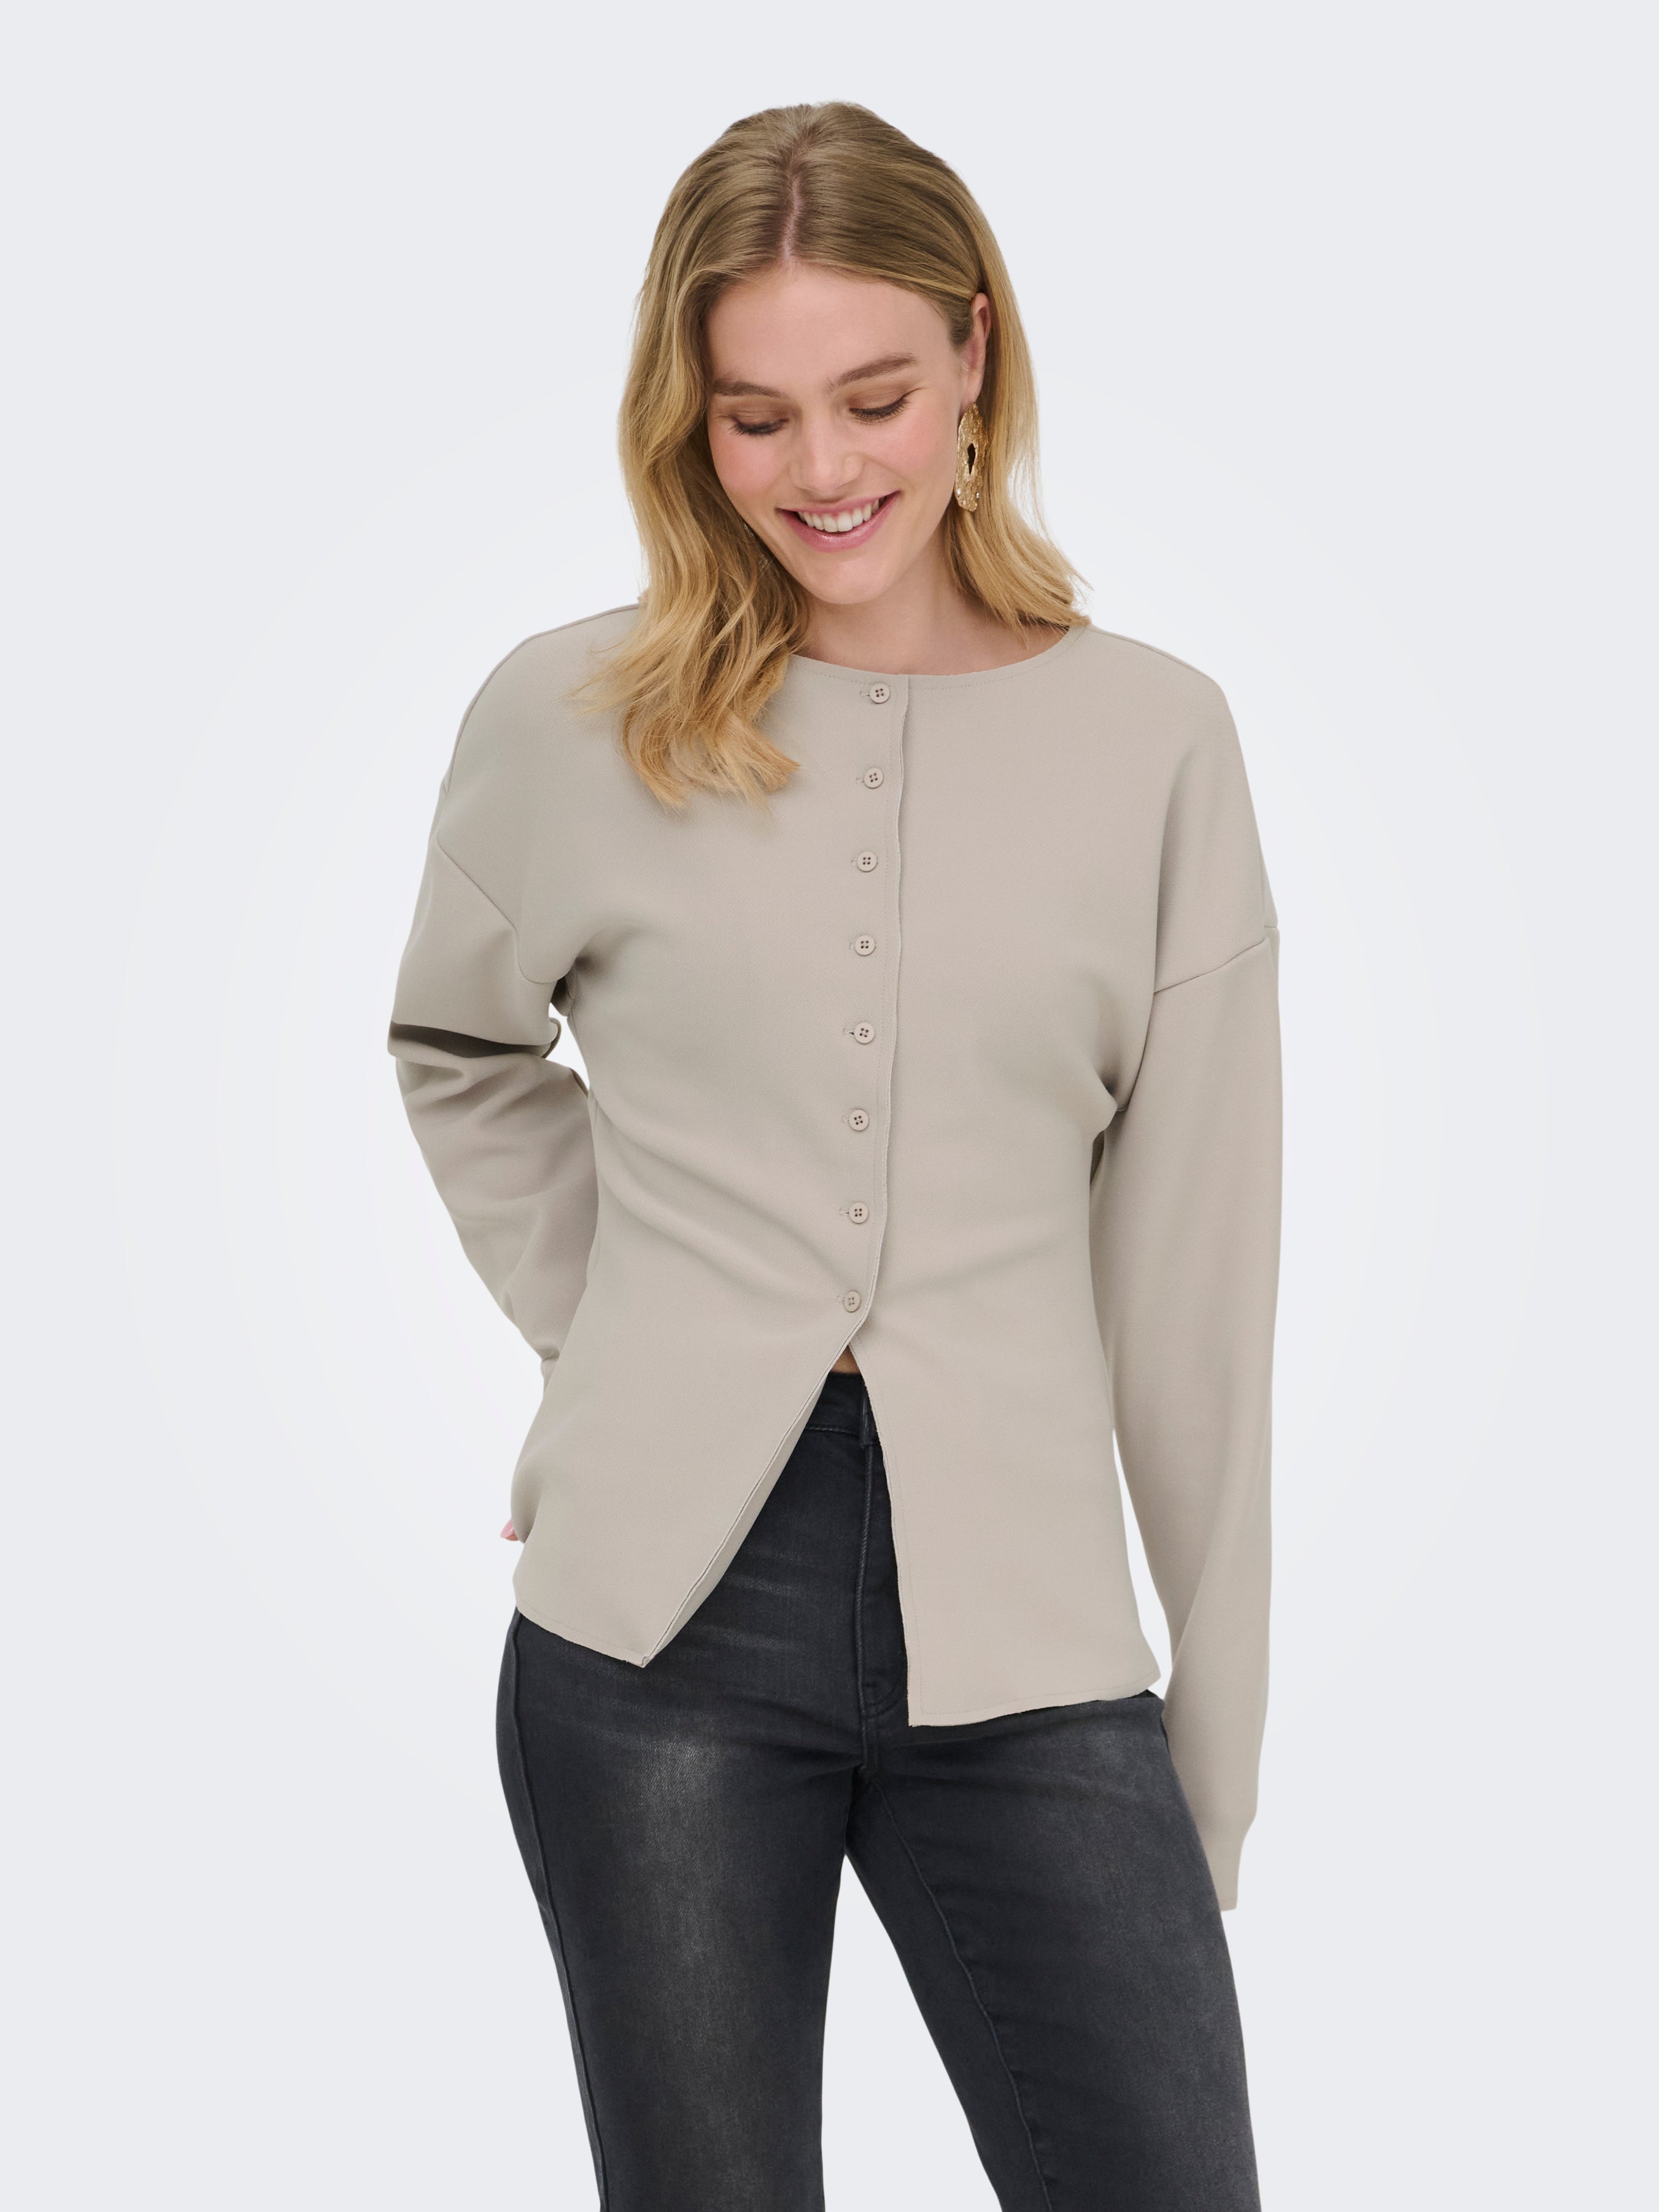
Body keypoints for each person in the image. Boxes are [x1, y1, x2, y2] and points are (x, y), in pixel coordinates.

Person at [388, 99, 1281, 2212]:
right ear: (686, 421)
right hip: (660, 1633)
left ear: (976, 353)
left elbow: (1197, 1284)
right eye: (756, 415)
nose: (823, 469)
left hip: (1035, 1629)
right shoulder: (571, 719)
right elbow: (456, 1043)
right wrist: (616, 1335)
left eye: (874, 395)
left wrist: (1212, 1734)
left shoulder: (1156, 741)